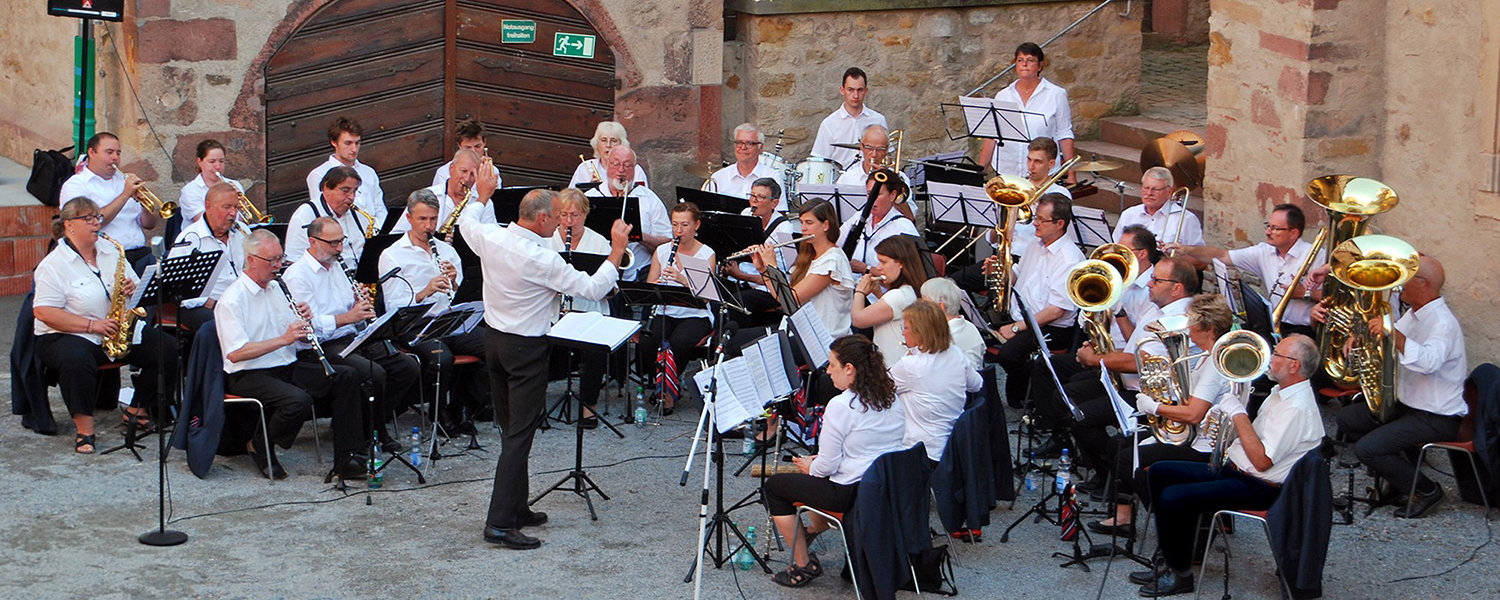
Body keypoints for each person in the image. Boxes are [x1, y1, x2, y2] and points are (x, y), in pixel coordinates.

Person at [458, 185, 630, 550]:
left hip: (495, 340)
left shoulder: (491, 235)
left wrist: (483, 194)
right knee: (519, 435)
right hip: (525, 348)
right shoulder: (542, 259)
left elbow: (467, 222)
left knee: (511, 430)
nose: (559, 223)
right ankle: (499, 523)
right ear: (541, 219)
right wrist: (616, 250)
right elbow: (592, 288)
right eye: (555, 216)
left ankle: (517, 507)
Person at [1135, 334, 1325, 597]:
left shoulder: (1297, 408)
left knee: (1175, 496)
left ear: (1294, 366)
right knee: (1159, 472)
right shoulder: (1281, 393)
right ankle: (1171, 558)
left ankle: (1181, 575)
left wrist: (1237, 413)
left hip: (1260, 487)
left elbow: (1261, 460)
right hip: (1240, 472)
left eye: (1277, 354)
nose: (1270, 359)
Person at [33, 197, 178, 454]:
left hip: (113, 329)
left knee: (166, 346)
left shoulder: (113, 252)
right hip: (66, 333)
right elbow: (44, 312)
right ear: (69, 225)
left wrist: (132, 289)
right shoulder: (53, 265)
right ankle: (85, 429)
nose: (96, 223)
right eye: (88, 219)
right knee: (76, 359)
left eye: (97, 217)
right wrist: (91, 325)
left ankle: (137, 408)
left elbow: (135, 290)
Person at [215, 229, 364, 479]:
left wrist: (304, 325)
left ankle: (347, 457)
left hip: (285, 363)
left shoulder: (277, 288)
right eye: (271, 260)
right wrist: (284, 339)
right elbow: (236, 354)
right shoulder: (232, 300)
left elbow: (296, 334)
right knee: (298, 400)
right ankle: (261, 444)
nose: (278, 265)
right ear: (251, 260)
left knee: (346, 376)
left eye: (280, 258)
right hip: (250, 372)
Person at [764, 335, 905, 588]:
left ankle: (803, 563)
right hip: (886, 487)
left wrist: (810, 466)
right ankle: (810, 531)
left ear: (849, 369)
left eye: (832, 365)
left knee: (774, 487)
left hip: (850, 492)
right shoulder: (890, 396)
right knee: (813, 478)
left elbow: (825, 468)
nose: (828, 372)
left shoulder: (841, 405)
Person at [1087, 293, 1234, 536]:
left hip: (1204, 447)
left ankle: (1174, 518)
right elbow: (1191, 402)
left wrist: (1155, 408)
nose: (1187, 327)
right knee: (1119, 444)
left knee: (1126, 458)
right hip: (1195, 435)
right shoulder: (1204, 357)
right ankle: (1125, 517)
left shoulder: (1214, 364)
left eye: (1192, 322)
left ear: (1206, 328)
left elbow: (1195, 414)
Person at [1333, 255, 1467, 518]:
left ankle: (1427, 490)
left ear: (1424, 284)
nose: (1399, 285)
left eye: (1406, 279)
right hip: (1409, 403)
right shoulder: (1415, 314)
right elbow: (1387, 339)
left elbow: (1428, 361)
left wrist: (1393, 334)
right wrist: (1359, 339)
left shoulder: (1443, 323)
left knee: (1367, 449)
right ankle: (1397, 480)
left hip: (1436, 415)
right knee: (1348, 418)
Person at [283, 217, 422, 455]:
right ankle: (372, 431)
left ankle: (365, 423)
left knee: (406, 368)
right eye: (333, 243)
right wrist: (348, 317)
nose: (339, 249)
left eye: (342, 242)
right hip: (321, 346)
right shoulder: (298, 276)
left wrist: (360, 301)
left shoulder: (337, 266)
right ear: (313, 242)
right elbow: (307, 326)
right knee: (373, 373)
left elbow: (350, 308)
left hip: (352, 337)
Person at [1058, 257, 1199, 469]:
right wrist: (1098, 350)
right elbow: (1136, 347)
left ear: (1177, 288)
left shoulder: (1178, 319)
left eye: (1156, 280)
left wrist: (1095, 360)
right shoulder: (1159, 308)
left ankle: (1107, 470)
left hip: (1147, 396)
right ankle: (1096, 460)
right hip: (1130, 384)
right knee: (1067, 395)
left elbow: (1140, 362)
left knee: (1080, 418)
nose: (1149, 284)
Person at [380, 189, 488, 436]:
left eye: (432, 219)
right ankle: (436, 411)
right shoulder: (392, 254)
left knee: (494, 347)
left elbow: (463, 297)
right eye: (422, 219)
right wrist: (425, 291)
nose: (428, 226)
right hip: (413, 325)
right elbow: (393, 306)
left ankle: (459, 406)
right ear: (409, 218)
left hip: (448, 320)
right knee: (443, 359)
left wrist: (456, 282)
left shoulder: (447, 251)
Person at [1165, 203, 1322, 339]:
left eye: (1275, 229)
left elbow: (1333, 301)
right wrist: (1187, 249)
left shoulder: (1317, 257)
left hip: (1305, 329)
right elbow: (1223, 255)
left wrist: (1305, 293)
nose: (1268, 232)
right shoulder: (1264, 252)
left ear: (1293, 233)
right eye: (1268, 226)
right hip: (1275, 326)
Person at [989, 194, 1084, 409]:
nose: (1035, 223)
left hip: (1050, 327)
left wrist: (1016, 328)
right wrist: (1001, 271)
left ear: (1060, 224)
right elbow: (1018, 276)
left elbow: (1057, 311)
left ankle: (1036, 390)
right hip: (1023, 319)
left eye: (1041, 219)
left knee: (1007, 354)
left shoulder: (1069, 259)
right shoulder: (1035, 244)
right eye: (1036, 218)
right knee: (980, 336)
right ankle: (1021, 392)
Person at [546, 188, 616, 428]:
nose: (568, 221)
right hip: (554, 312)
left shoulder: (598, 242)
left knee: (595, 350)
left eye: (574, 215)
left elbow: (612, 286)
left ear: (585, 215)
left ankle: (589, 405)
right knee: (533, 343)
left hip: (590, 312)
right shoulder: (547, 241)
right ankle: (534, 405)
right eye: (563, 215)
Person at [639, 202, 717, 414]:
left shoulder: (706, 254)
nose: (678, 231)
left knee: (679, 343)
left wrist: (682, 279)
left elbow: (706, 295)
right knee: (648, 343)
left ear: (696, 225)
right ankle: (661, 385)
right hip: (666, 310)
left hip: (695, 314)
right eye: (674, 225)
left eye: (684, 225)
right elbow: (650, 284)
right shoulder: (663, 251)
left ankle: (668, 392)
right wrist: (658, 284)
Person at [892, 300, 983, 463]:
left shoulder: (910, 365)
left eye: (905, 327)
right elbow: (976, 384)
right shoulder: (955, 353)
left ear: (920, 332)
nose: (903, 333)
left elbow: (879, 392)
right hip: (953, 446)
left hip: (920, 451)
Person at [752, 199, 854, 338]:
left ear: (825, 225)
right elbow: (782, 298)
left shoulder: (832, 260)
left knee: (741, 344)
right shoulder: (808, 256)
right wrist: (763, 269)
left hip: (823, 339)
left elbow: (791, 300)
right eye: (802, 222)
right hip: (798, 333)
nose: (803, 228)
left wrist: (771, 266)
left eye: (809, 223)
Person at [978, 43, 1076, 182]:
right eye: (1020, 60)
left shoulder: (1056, 94)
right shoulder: (1003, 95)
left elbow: (1064, 134)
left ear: (1040, 66)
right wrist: (980, 172)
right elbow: (991, 137)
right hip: (1007, 170)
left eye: (1030, 60)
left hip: (1042, 173)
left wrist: (1071, 173)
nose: (1024, 64)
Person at [58, 132, 158, 267]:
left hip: (141, 253)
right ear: (92, 153)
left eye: (118, 153)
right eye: (109, 152)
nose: (115, 158)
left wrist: (145, 206)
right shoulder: (76, 185)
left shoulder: (124, 180)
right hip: (106, 257)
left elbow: (149, 225)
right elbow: (89, 222)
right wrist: (124, 195)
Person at [169, 183, 248, 333]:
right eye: (227, 207)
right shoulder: (189, 239)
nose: (233, 213)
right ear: (208, 207)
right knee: (224, 326)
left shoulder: (242, 231)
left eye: (236, 208)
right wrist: (214, 303)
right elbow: (178, 289)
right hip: (202, 305)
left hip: (239, 300)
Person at [584, 145, 671, 281]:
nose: (621, 170)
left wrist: (640, 236)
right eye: (616, 164)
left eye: (627, 165)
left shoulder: (649, 198)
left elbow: (667, 244)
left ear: (635, 169)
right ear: (607, 165)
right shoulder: (590, 197)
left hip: (641, 273)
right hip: (599, 273)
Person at [723, 178, 799, 320]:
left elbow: (786, 276)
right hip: (742, 279)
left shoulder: (784, 230)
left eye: (761, 197)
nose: (754, 201)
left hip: (768, 288)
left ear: (774, 203)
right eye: (752, 195)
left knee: (737, 302)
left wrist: (741, 275)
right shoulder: (746, 213)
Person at [851, 236, 928, 367]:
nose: (878, 267)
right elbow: (892, 316)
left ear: (901, 263)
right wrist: (879, 294)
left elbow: (858, 320)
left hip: (892, 366)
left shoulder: (898, 295)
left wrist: (860, 292)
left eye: (884, 262)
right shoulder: (909, 290)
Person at [392, 148, 497, 236]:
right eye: (463, 171)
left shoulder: (485, 203)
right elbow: (397, 235)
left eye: (473, 174)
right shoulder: (425, 196)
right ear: (451, 169)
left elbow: (490, 239)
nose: (467, 179)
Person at [285, 166, 374, 267]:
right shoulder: (305, 215)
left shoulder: (358, 212)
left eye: (354, 191)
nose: (351, 197)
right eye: (345, 190)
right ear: (326, 188)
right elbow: (294, 260)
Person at [304, 117, 386, 227]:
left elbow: (380, 208)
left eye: (357, 143)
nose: (354, 149)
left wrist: (378, 230)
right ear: (334, 142)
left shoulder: (369, 172)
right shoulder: (319, 174)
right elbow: (323, 213)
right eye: (348, 143)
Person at [836, 167, 919, 275]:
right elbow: (835, 244)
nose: (871, 199)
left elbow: (909, 275)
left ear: (892, 195)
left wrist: (866, 269)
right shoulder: (858, 218)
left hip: (883, 290)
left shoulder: (903, 227)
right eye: (869, 193)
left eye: (877, 194)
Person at [811, 67, 888, 170]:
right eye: (851, 90)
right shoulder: (829, 124)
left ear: (866, 91)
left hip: (871, 181)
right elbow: (819, 162)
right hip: (840, 182)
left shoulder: (879, 120)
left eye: (860, 90)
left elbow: (887, 157)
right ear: (842, 90)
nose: (855, 95)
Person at [833, 125, 915, 222]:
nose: (874, 154)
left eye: (880, 149)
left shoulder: (900, 178)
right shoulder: (847, 178)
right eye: (869, 148)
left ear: (887, 149)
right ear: (861, 146)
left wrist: (892, 186)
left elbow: (910, 218)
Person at [1112, 167, 1204, 247]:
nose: (1149, 193)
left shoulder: (1186, 219)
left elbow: (1200, 261)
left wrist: (1173, 254)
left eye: (1156, 189)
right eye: (1146, 188)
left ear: (1169, 192)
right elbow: (1116, 248)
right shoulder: (1129, 214)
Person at [709, 123, 787, 207]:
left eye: (749, 143)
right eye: (739, 142)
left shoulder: (773, 177)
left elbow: (779, 213)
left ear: (761, 148)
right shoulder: (718, 178)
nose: (743, 147)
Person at [920, 277, 986, 370]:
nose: (919, 308)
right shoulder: (970, 327)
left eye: (924, 303)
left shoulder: (942, 335)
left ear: (940, 306)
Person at [1114, 225, 1164, 341]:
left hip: (1124, 353)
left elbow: (1136, 343)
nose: (1117, 255)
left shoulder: (1153, 291)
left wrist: (1119, 312)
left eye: (1123, 251)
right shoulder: (1117, 277)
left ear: (1142, 254)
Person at [178, 139, 246, 224]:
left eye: (221, 161)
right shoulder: (190, 191)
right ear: (199, 162)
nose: (218, 166)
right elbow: (206, 222)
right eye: (212, 161)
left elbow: (244, 221)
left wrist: (242, 208)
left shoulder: (235, 185)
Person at [569, 121, 648, 188]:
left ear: (622, 144)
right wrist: (589, 188)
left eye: (613, 141)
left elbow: (644, 199)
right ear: (597, 144)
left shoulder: (636, 170)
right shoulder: (584, 168)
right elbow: (572, 197)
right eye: (603, 140)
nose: (608, 145)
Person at [432, 118, 501, 192]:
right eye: (468, 147)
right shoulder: (443, 173)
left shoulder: (493, 171)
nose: (473, 151)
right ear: (459, 146)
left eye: (478, 146)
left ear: (484, 143)